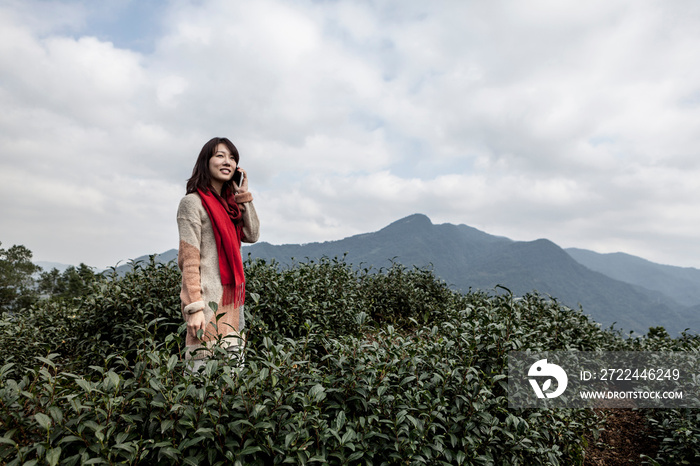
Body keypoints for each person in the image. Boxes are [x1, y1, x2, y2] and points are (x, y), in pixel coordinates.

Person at [177, 137, 260, 372]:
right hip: (207, 306)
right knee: (200, 383)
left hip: (233, 306)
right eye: (220, 155)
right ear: (206, 161)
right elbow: (189, 261)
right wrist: (193, 308)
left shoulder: (232, 206)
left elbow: (252, 234)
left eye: (232, 157)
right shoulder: (191, 204)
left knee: (232, 388)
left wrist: (243, 195)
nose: (228, 162)